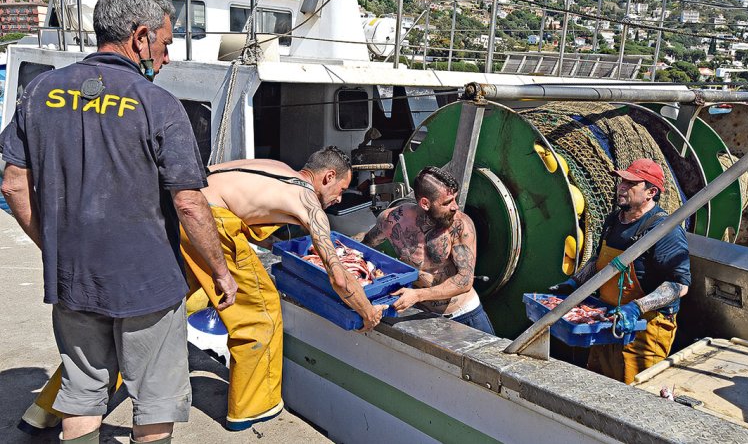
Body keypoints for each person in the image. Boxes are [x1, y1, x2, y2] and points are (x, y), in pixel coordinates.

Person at [1, 0, 237, 444]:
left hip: (72, 278)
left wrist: (53, 246)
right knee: (154, 398)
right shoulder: (160, 105)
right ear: (141, 36)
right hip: (146, 283)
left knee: (83, 392)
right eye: (166, 44)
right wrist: (220, 272)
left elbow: (12, 184)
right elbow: (189, 202)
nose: (166, 58)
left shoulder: (41, 91)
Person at [23, 148, 389, 432]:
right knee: (259, 315)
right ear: (327, 177)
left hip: (171, 208)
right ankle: (252, 410)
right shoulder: (309, 201)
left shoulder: (275, 167)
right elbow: (340, 278)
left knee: (144, 314)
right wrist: (365, 310)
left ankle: (46, 409)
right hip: (206, 221)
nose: (340, 199)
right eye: (341, 190)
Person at [557, 158, 690, 384]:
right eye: (621, 182)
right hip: (607, 321)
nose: (621, 187)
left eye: (631, 184)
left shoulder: (664, 230)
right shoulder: (613, 221)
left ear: (651, 192)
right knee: (598, 385)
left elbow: (680, 285)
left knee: (635, 392)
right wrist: (574, 283)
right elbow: (599, 260)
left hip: (645, 329)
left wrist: (636, 308)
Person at [362, 166, 495, 335]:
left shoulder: (461, 225)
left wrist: (417, 295)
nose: (455, 206)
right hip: (421, 316)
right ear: (425, 203)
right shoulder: (392, 220)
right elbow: (365, 245)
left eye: (455, 198)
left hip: (464, 315)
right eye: (447, 203)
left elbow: (465, 281)